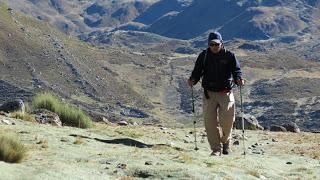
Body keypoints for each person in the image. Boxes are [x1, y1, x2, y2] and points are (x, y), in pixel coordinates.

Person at [187, 31, 244, 156]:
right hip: (209, 94)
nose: (214, 47)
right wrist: (193, 79)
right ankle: (216, 149)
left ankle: (225, 142)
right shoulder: (204, 56)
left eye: (216, 44)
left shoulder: (230, 55)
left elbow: (236, 70)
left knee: (227, 121)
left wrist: (239, 79)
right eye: (211, 44)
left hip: (225, 93)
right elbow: (197, 71)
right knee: (210, 122)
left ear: (221, 43)